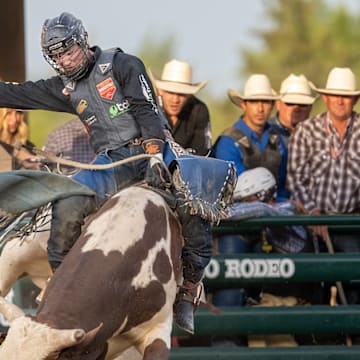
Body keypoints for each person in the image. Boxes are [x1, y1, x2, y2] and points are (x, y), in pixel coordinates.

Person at [0, 12, 230, 334]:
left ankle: (189, 287)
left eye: (68, 51)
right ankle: (63, 286)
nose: (64, 61)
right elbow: (16, 94)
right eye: (56, 56)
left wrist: (153, 154)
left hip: (153, 146)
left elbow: (146, 108)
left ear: (82, 42)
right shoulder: (64, 88)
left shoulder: (123, 65)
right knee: (67, 202)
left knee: (193, 199)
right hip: (111, 159)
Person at [287, 67, 360, 304]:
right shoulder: (306, 131)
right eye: (335, 95)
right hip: (312, 224)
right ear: (326, 98)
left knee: (354, 285)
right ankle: (320, 336)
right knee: (312, 283)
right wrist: (313, 213)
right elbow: (296, 180)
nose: (340, 100)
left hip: (351, 222)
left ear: (354, 100)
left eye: (346, 96)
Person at [212, 73, 288, 201]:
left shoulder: (276, 139)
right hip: (239, 214)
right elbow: (237, 188)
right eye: (254, 102)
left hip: (275, 210)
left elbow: (283, 185)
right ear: (244, 105)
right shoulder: (228, 142)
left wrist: (284, 202)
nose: (260, 108)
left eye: (265, 102)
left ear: (272, 105)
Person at [151, 59, 212, 155]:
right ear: (160, 91)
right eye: (170, 92)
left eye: (182, 94)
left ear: (190, 95)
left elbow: (203, 153)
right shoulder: (148, 110)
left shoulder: (198, 110)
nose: (175, 100)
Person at [269, 74, 316, 147]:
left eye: (302, 104)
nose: (296, 108)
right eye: (290, 103)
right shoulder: (263, 132)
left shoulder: (318, 135)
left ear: (310, 107)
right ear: (278, 104)